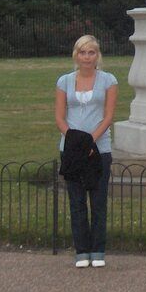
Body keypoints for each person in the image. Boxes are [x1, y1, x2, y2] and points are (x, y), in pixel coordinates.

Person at [54, 35, 118, 268]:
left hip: (99, 149)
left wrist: (90, 141)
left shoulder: (108, 80)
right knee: (77, 201)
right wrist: (76, 142)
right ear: (76, 55)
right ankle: (81, 251)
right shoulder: (64, 81)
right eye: (83, 53)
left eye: (91, 53)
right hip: (72, 149)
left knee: (98, 201)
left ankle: (98, 250)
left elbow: (108, 116)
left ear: (97, 55)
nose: (87, 57)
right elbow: (59, 117)